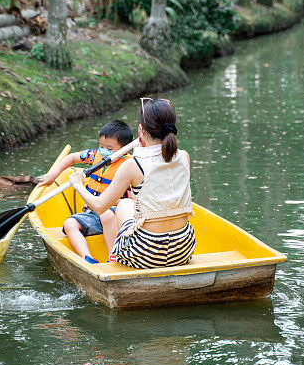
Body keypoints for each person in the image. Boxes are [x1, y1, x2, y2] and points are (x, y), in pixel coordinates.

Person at [69, 98, 195, 268]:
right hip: (183, 250)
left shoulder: (133, 165)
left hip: (145, 255)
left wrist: (77, 184)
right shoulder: (184, 157)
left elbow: (99, 206)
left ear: (141, 129)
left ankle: (114, 255)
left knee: (125, 204)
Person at [37, 120, 133, 264]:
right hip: (91, 213)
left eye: (109, 148)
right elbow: (72, 158)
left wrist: (113, 203)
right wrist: (53, 175)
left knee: (106, 215)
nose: (103, 150)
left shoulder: (129, 165)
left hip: (114, 215)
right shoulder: (95, 156)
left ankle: (113, 257)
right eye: (101, 146)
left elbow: (132, 201)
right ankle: (87, 258)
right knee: (69, 224)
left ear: (125, 149)